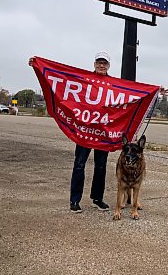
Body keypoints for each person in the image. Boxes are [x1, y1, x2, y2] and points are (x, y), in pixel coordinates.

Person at [28, 51, 112, 213]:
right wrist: (38, 65)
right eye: (99, 62)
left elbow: (134, 93)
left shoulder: (113, 84)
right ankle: (75, 200)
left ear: (108, 66)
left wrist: (157, 92)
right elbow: (60, 79)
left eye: (104, 63)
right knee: (79, 165)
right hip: (84, 131)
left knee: (101, 166)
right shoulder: (84, 79)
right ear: (94, 64)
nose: (101, 65)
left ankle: (97, 198)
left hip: (103, 132)